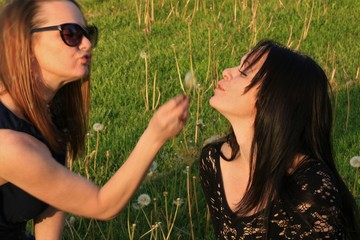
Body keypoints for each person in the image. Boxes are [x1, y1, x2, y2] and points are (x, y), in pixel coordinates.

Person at [0, 0, 190, 239]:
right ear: (25, 45)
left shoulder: (48, 112)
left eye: (89, 34)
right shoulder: (9, 145)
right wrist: (154, 136)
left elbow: (54, 198)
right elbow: (102, 205)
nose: (87, 43)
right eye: (70, 34)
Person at [199, 40, 360, 239]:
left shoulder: (311, 189)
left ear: (274, 101)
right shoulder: (214, 162)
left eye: (244, 72)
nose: (226, 71)